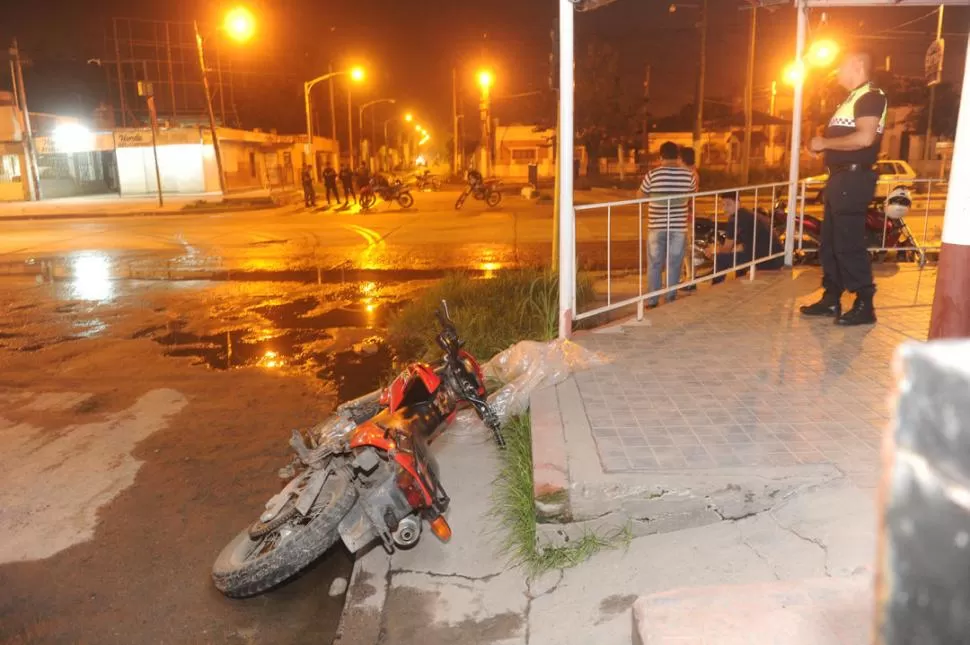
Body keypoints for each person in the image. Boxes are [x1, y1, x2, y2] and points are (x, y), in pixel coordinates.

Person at [800, 49, 887, 326]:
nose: (835, 71)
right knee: (831, 244)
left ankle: (865, 303)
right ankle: (831, 298)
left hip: (853, 179)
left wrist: (824, 143)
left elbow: (864, 138)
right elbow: (848, 139)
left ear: (858, 64)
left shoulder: (872, 96)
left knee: (848, 243)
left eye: (840, 66)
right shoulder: (852, 99)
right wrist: (824, 149)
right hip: (840, 179)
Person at [639, 141, 697, 308]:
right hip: (678, 227)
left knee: (655, 263)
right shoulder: (688, 176)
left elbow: (640, 196)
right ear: (678, 156)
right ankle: (670, 298)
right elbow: (692, 193)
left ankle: (653, 300)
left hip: (656, 226)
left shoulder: (652, 175)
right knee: (674, 262)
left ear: (661, 156)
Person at [708, 193, 784, 284]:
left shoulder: (735, 219)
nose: (725, 208)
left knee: (720, 259)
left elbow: (726, 249)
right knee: (739, 255)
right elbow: (741, 245)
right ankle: (739, 281)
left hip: (766, 261)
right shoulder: (748, 214)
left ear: (738, 203)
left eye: (728, 204)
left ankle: (716, 286)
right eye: (723, 205)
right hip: (777, 258)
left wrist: (713, 252)